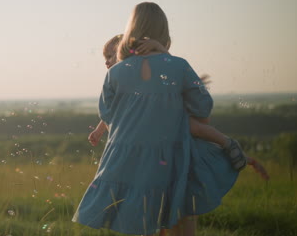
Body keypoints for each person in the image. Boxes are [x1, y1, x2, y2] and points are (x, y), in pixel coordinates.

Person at [72, 2, 259, 236]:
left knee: (145, 223)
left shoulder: (115, 73)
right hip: (169, 159)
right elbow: (203, 110)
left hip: (125, 162)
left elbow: (108, 115)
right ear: (163, 31)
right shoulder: (178, 66)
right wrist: (166, 58)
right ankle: (230, 146)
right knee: (179, 219)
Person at [88, 35, 269, 180]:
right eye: (105, 57)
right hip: (150, 136)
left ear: (127, 54)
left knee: (193, 127)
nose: (107, 61)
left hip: (168, 120)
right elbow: (114, 113)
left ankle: (227, 143)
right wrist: (99, 131)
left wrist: (161, 51)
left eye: (111, 55)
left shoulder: (144, 73)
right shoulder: (118, 82)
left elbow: (169, 75)